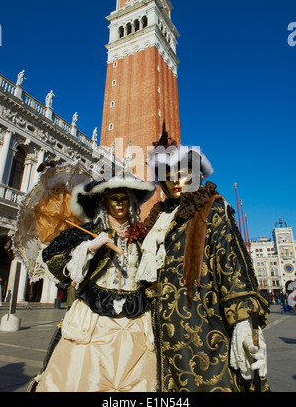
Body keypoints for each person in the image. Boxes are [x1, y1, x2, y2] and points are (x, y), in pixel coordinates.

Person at [135, 126, 269, 392]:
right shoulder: (156, 220)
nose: (175, 181)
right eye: (168, 176)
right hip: (158, 337)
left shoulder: (212, 210)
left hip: (204, 333)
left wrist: (244, 323)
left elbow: (232, 267)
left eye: (182, 174)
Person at [31, 172, 157, 392]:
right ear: (103, 202)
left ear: (132, 202)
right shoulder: (88, 233)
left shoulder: (144, 235)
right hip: (94, 317)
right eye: (113, 198)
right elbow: (56, 263)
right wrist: (88, 248)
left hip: (135, 316)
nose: (119, 204)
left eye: (124, 198)